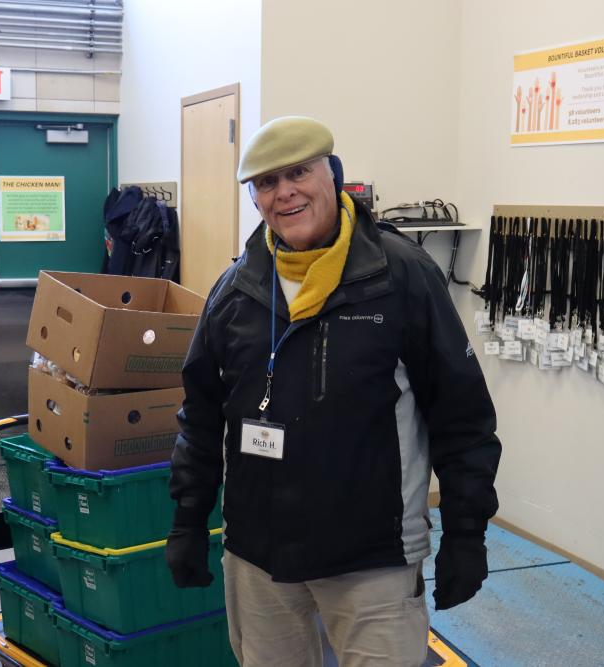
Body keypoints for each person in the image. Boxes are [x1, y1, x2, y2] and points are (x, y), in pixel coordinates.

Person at [166, 116, 501, 667]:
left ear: (334, 175)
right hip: (257, 559)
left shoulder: (403, 278)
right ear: (255, 200)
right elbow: (200, 418)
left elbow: (462, 418)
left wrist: (467, 533)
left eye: (299, 173)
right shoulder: (235, 291)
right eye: (267, 183)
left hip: (373, 560)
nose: (286, 193)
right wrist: (187, 519)